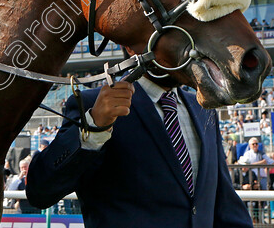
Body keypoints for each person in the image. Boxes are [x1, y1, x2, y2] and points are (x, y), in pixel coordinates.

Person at [26, 78, 253, 227]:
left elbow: (223, 201)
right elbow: (40, 191)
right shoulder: (95, 104)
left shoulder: (204, 108)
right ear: (130, 46)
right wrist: (94, 125)